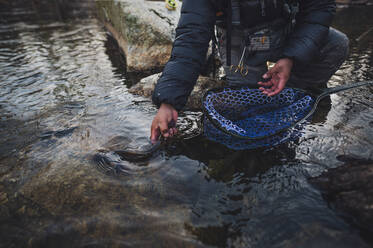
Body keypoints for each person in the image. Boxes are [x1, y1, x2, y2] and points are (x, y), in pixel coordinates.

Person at [150, 0, 349, 143]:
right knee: (248, 106)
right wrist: (169, 101)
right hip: (239, 42)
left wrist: (291, 58)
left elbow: (320, 8)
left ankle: (294, 91)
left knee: (337, 45)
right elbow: (191, 39)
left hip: (287, 30)